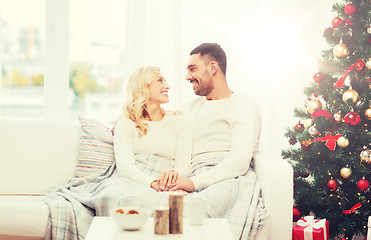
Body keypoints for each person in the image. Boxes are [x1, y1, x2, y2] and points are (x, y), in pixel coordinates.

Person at [44, 66, 192, 240]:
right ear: (143, 86)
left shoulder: (179, 122)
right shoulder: (126, 124)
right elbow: (125, 168)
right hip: (134, 180)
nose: (167, 85)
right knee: (113, 193)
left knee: (176, 202)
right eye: (160, 80)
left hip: (167, 182)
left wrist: (174, 175)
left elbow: (184, 164)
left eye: (165, 80)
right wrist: (152, 183)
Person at [167, 43, 266, 239]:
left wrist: (193, 183)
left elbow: (238, 162)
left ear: (213, 68)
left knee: (193, 212)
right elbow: (156, 123)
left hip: (228, 177)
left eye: (192, 69)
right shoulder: (188, 109)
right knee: (164, 208)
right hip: (192, 171)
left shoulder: (243, 105)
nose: (187, 77)